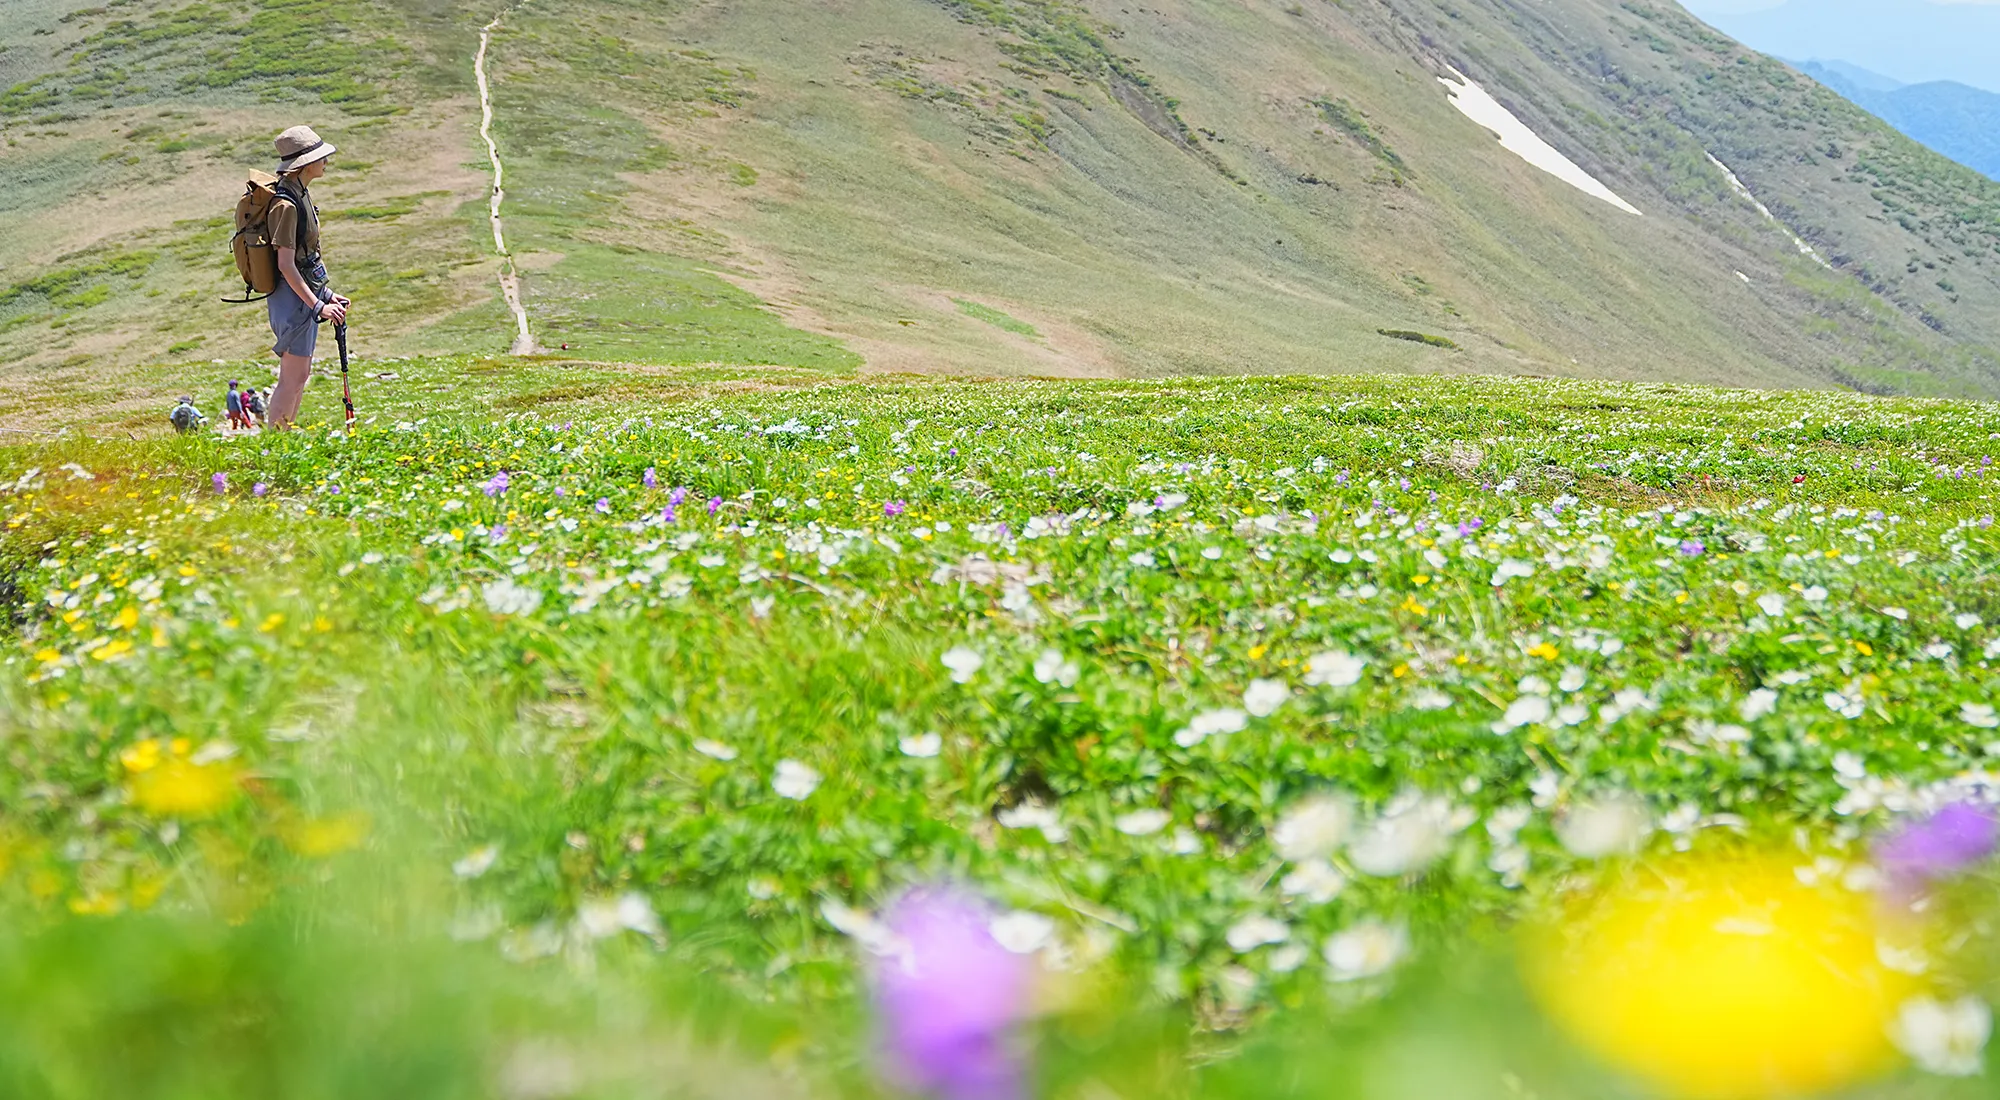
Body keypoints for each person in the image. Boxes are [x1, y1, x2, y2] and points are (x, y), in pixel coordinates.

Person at [264, 125, 350, 428]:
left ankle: (282, 438)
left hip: (302, 296)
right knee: (293, 376)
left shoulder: (299, 194)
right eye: (320, 157)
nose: (325, 161)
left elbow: (304, 258)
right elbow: (286, 265)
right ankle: (275, 443)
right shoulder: (286, 205)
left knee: (299, 375)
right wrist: (318, 306)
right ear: (303, 165)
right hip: (292, 300)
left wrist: (326, 296)